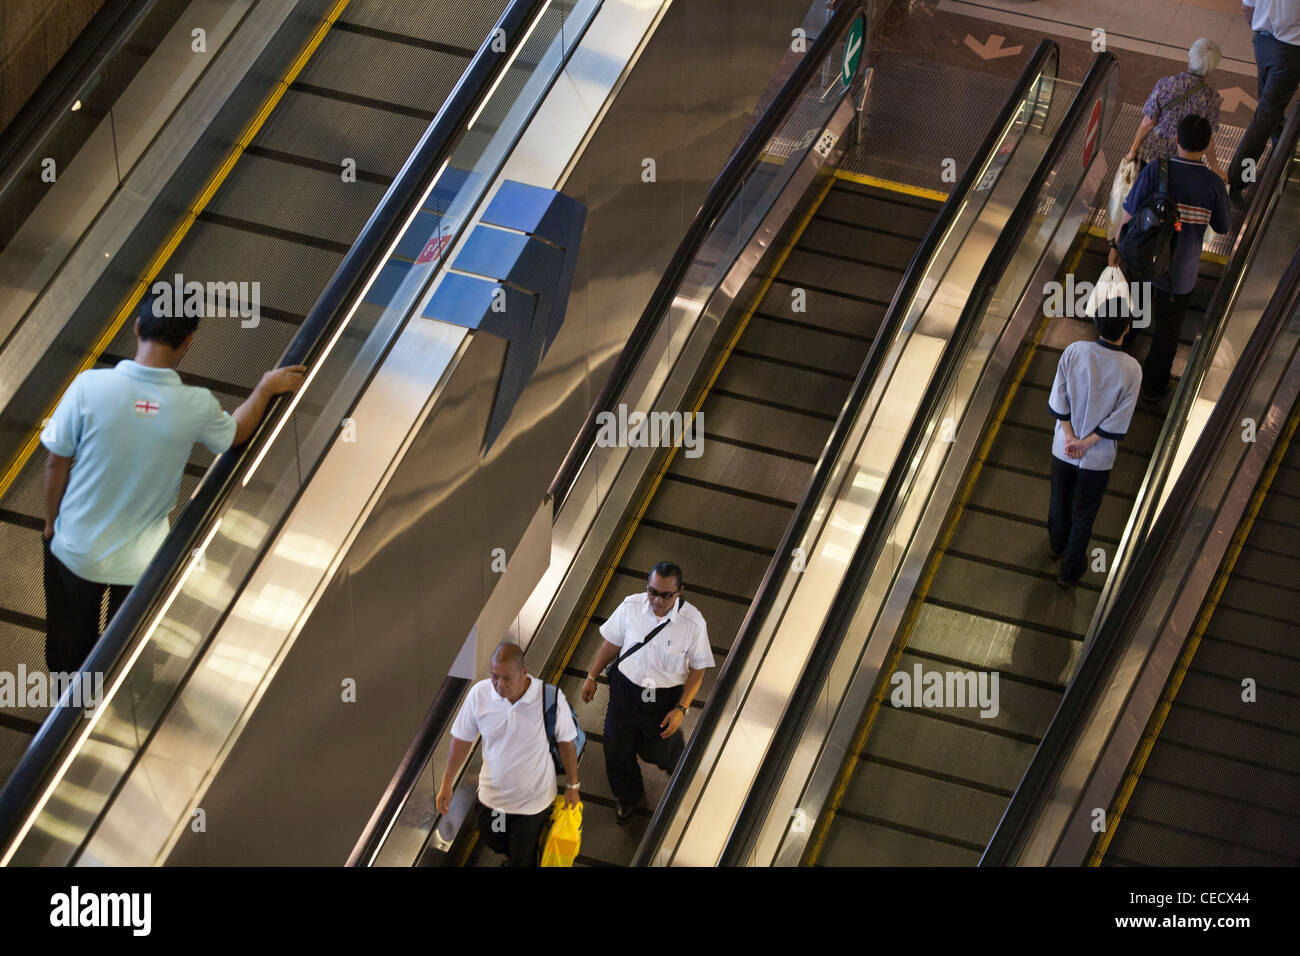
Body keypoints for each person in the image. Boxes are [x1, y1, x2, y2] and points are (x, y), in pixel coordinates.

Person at [41, 294, 305, 673]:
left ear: (137, 327)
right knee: (122, 653)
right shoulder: (194, 404)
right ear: (188, 341)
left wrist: (52, 525)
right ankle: (106, 713)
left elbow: (55, 463)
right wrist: (264, 388)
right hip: (139, 562)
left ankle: (67, 713)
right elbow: (237, 433)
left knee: (69, 649)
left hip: (75, 548)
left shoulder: (88, 386)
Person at [580, 562, 713, 824]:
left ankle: (686, 780)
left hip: (662, 699)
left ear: (679, 592)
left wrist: (682, 709)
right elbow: (612, 643)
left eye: (666, 595)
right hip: (625, 692)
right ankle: (628, 797)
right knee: (616, 748)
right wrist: (591, 676)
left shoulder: (692, 624)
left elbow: (698, 670)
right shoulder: (631, 607)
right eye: (653, 591)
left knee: (660, 748)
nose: (657, 600)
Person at [1111, 114, 1231, 402]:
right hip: (1181, 273)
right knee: (1167, 331)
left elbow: (1128, 213)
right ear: (1206, 146)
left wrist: (1116, 246)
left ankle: (1119, 352)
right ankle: (1153, 388)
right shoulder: (1213, 184)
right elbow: (1223, 227)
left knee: (1133, 307)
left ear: (1177, 140)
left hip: (1143, 260)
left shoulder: (1155, 170)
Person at [437, 642, 580, 866]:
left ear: (523, 673)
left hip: (533, 801)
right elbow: (462, 739)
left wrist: (573, 785)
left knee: (522, 859)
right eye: (494, 676)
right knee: (492, 838)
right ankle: (516, 854)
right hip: (493, 798)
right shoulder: (479, 695)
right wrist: (447, 782)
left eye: (507, 678)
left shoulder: (550, 698)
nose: (499, 685)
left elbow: (566, 743)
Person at [1047, 300, 1142, 589]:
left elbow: (1059, 397)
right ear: (1127, 328)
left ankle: (1055, 546)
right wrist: (1086, 443)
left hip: (1063, 447)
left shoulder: (1075, 351)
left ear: (1096, 324)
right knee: (1084, 513)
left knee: (1059, 501)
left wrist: (1071, 438)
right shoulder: (1132, 370)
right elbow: (1119, 417)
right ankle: (1070, 569)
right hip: (1097, 458)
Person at [1125, 38, 1227, 181]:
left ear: (1189, 57)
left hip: (1153, 155)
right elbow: (1207, 137)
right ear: (1211, 67)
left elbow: (1148, 122)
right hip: (1184, 159)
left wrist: (1133, 151)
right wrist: (1215, 167)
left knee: (1145, 187)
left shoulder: (1166, 84)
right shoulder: (1211, 98)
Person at [1228, 0, 1300, 195]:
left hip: (1262, 43)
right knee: (1264, 118)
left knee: (1268, 106)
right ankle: (1240, 177)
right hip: (1289, 52)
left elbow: (1247, 8)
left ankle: (1278, 136)